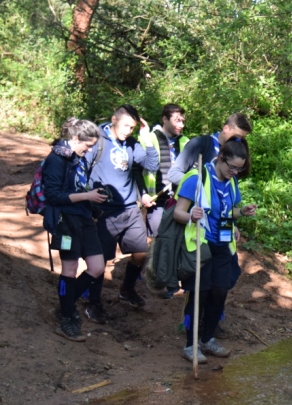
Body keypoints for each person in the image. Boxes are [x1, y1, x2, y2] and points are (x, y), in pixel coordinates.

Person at [172, 139, 257, 363]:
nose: (235, 172)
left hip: (223, 245)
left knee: (220, 292)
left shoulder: (231, 182)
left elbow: (228, 211)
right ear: (221, 158)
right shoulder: (196, 178)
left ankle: (207, 339)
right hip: (200, 245)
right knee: (199, 294)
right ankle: (190, 345)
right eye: (232, 167)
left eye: (239, 169)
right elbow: (177, 212)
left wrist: (240, 213)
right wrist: (192, 215)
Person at [85, 104, 159, 319]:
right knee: (101, 261)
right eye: (126, 125)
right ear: (113, 120)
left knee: (140, 254)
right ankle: (93, 302)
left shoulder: (132, 143)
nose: (128, 131)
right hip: (104, 211)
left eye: (132, 128)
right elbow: (83, 171)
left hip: (129, 208)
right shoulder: (97, 140)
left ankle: (127, 290)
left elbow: (151, 165)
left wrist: (146, 138)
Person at [43, 117, 109, 341]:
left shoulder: (78, 157)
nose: (89, 150)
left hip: (84, 218)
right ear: (75, 138)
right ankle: (67, 319)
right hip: (65, 221)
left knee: (97, 266)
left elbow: (80, 186)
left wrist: (93, 202)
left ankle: (66, 306)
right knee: (69, 269)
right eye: (87, 145)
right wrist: (87, 196)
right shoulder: (56, 159)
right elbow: (53, 195)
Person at [138, 104, 187, 238]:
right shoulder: (148, 138)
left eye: (183, 121)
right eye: (177, 120)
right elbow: (137, 170)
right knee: (159, 241)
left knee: (177, 241)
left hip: (179, 201)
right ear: (165, 119)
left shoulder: (185, 142)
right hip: (156, 201)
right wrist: (142, 195)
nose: (181, 125)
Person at [166, 112, 251, 185]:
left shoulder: (237, 151)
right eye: (237, 136)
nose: (239, 141)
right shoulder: (200, 143)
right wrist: (201, 185)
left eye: (242, 138)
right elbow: (173, 174)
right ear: (225, 128)